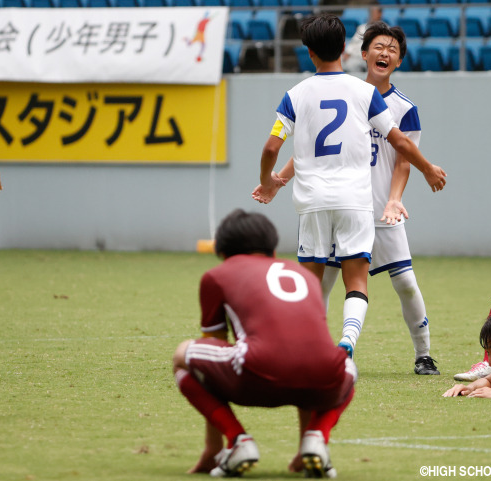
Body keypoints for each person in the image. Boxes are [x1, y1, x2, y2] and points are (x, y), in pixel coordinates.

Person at [256, 14, 447, 361]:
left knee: (384, 282)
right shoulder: (362, 94)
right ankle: (338, 345)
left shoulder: (300, 94)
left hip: (343, 205)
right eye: (379, 46)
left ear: (309, 52)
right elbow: (399, 144)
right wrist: (429, 168)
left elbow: (275, 146)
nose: (385, 52)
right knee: (347, 281)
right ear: (355, 50)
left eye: (392, 48)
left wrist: (270, 181)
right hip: (354, 201)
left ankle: (420, 354)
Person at [172, 209, 357, 478]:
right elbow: (305, 348)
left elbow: (213, 345)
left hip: (257, 375)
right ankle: (315, 439)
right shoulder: (304, 275)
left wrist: (212, 448)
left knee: (182, 356)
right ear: (271, 248)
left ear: (223, 252)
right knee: (347, 368)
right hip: (322, 378)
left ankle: (237, 441)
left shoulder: (217, 275)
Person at [342, 5, 383, 72]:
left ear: (380, 14)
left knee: (352, 65)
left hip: (364, 59)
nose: (372, 15)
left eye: (374, 12)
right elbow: (353, 43)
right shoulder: (362, 27)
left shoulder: (384, 30)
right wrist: (346, 54)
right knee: (337, 60)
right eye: (371, 12)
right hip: (353, 57)